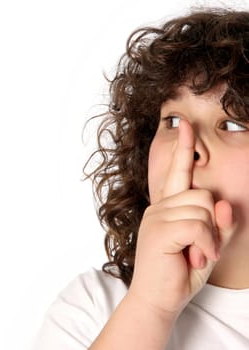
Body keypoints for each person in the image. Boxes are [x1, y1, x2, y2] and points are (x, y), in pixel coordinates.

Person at [34, 7, 249, 349]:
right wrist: (151, 305)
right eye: (173, 121)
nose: (188, 148)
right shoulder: (95, 306)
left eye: (233, 125)